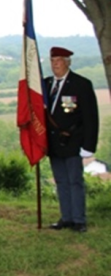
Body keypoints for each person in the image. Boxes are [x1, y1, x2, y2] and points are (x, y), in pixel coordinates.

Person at [45, 46, 99, 233]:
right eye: (52, 61)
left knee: (75, 181)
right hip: (53, 142)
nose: (55, 65)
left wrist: (88, 146)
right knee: (61, 181)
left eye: (59, 61)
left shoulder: (80, 84)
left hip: (74, 141)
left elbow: (91, 117)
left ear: (68, 62)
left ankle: (78, 220)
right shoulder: (46, 84)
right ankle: (66, 217)